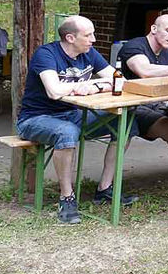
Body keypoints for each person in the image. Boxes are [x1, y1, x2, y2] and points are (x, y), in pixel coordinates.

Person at [15, 16, 138, 224]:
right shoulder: (46, 54)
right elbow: (53, 90)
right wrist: (79, 86)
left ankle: (105, 189)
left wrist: (95, 86)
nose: (94, 39)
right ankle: (67, 198)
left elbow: (119, 80)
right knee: (66, 132)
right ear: (70, 38)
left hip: (73, 115)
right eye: (88, 35)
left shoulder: (88, 53)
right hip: (36, 119)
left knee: (125, 123)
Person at [118, 14, 168, 169]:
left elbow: (164, 84)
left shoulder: (165, 53)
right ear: (153, 28)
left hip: (156, 105)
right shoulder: (135, 47)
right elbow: (144, 71)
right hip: (132, 108)